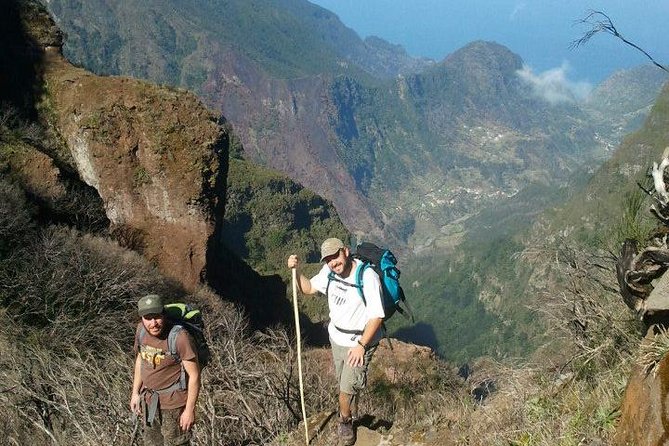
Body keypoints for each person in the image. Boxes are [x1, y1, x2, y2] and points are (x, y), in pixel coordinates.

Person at [287, 238, 384, 446]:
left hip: (359, 341)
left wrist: (361, 345)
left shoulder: (368, 277)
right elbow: (308, 289)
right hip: (336, 338)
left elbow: (377, 316)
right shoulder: (328, 272)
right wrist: (297, 271)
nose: (333, 262)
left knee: (345, 388)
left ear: (345, 252)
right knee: (343, 382)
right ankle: (349, 409)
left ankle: (345, 421)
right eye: (328, 259)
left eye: (335, 256)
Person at [130, 294, 201, 446]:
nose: (153, 323)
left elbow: (194, 375)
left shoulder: (179, 337)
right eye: (148, 318)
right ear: (142, 318)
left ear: (164, 314)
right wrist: (135, 393)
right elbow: (140, 360)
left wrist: (189, 410)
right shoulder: (141, 331)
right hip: (148, 401)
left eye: (157, 317)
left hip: (174, 405)